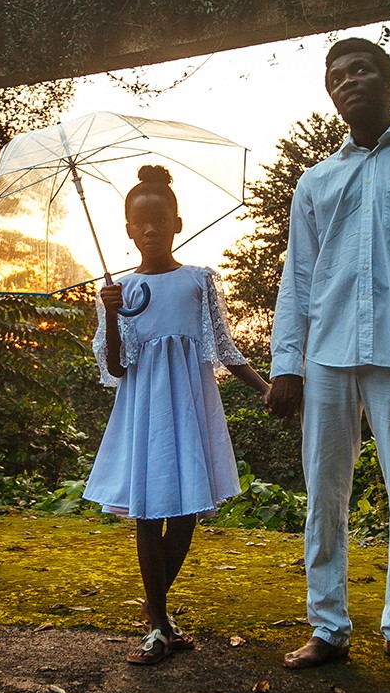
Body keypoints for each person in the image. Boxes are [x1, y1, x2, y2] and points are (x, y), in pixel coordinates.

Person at [266, 38, 390, 673]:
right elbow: (298, 277)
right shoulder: (316, 181)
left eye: (361, 71)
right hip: (326, 354)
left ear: (389, 79)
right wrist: (286, 363)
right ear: (331, 94)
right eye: (336, 77)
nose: (348, 82)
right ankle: (328, 627)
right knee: (323, 494)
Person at [84, 163, 271, 666]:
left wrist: (265, 387)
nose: (151, 230)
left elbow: (224, 347)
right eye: (141, 223)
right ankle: (160, 627)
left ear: (177, 224)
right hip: (144, 411)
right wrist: (113, 314)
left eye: (160, 221)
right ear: (128, 230)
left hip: (189, 407)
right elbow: (116, 366)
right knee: (147, 513)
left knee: (187, 511)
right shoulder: (119, 291)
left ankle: (157, 612)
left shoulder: (198, 281)